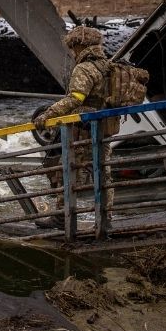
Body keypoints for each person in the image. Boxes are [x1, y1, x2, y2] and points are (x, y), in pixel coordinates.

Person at [29, 26, 118, 229]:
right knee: (103, 173)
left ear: (79, 46)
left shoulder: (84, 68)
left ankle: (62, 218)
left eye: (72, 48)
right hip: (105, 127)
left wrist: (48, 114)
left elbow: (76, 98)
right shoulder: (108, 66)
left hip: (83, 129)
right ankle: (106, 219)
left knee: (69, 172)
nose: (72, 52)